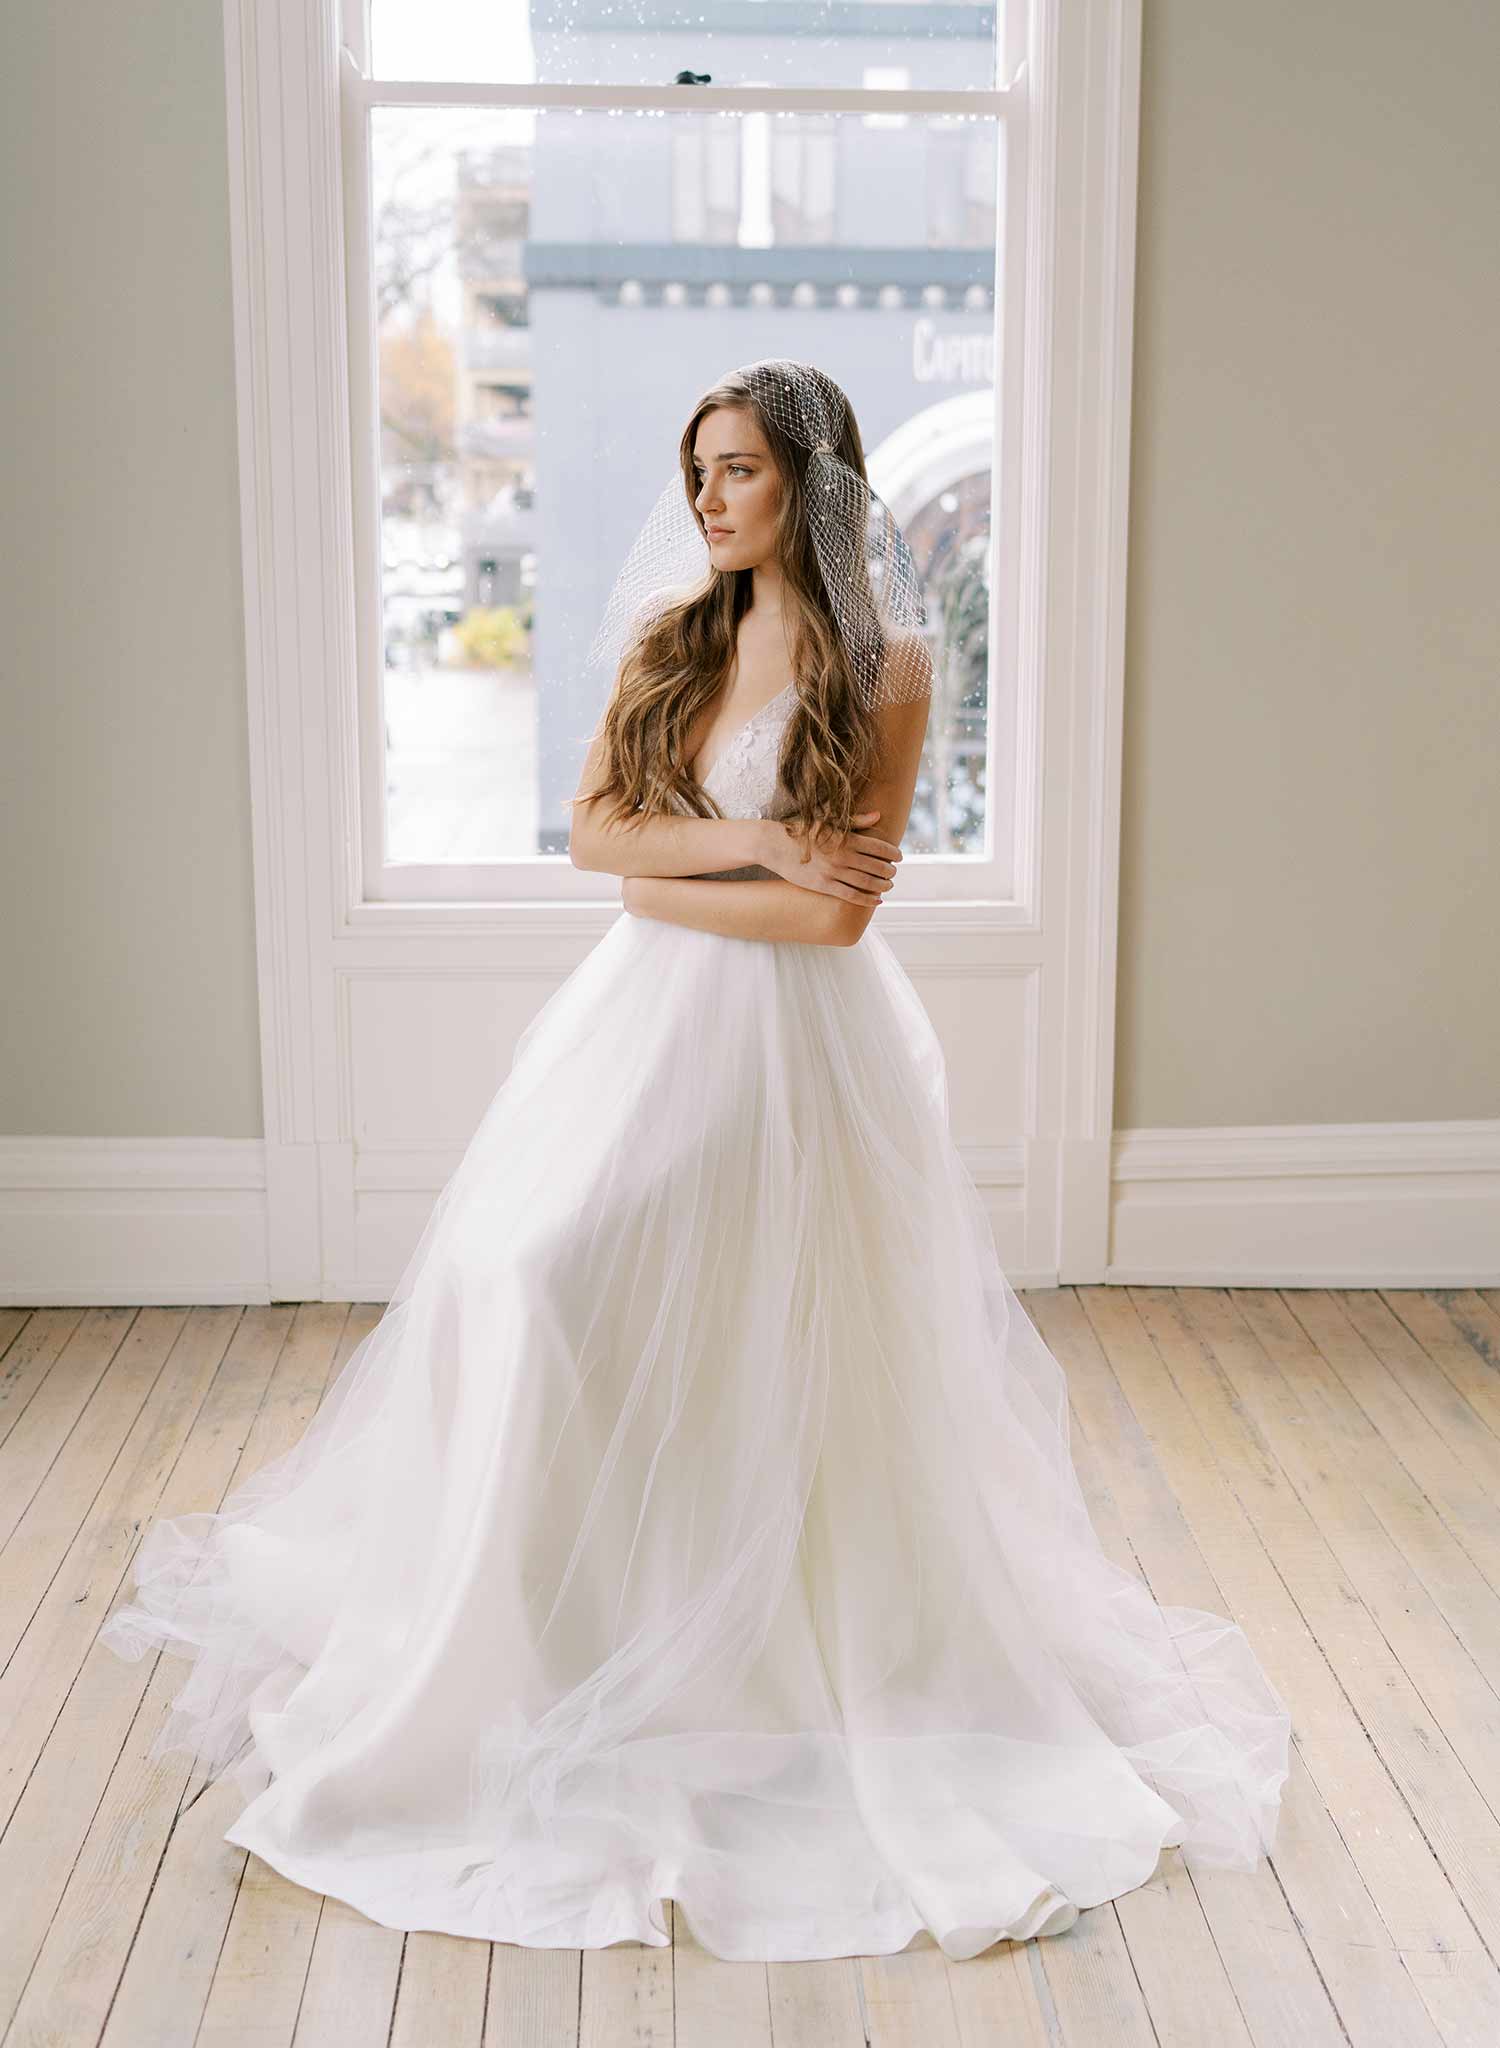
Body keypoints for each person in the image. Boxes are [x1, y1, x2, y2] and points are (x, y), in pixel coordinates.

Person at [100, 358, 1290, 1963]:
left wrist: (737, 873)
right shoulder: (680, 643)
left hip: (802, 1052)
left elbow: (838, 917)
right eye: (698, 472)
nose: (710, 499)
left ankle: (744, 1667)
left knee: (763, 1337)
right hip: (644, 1032)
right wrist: (754, 839)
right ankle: (546, 1643)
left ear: (812, 479)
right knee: (527, 1276)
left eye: (738, 470)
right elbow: (602, 843)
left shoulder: (892, 665)